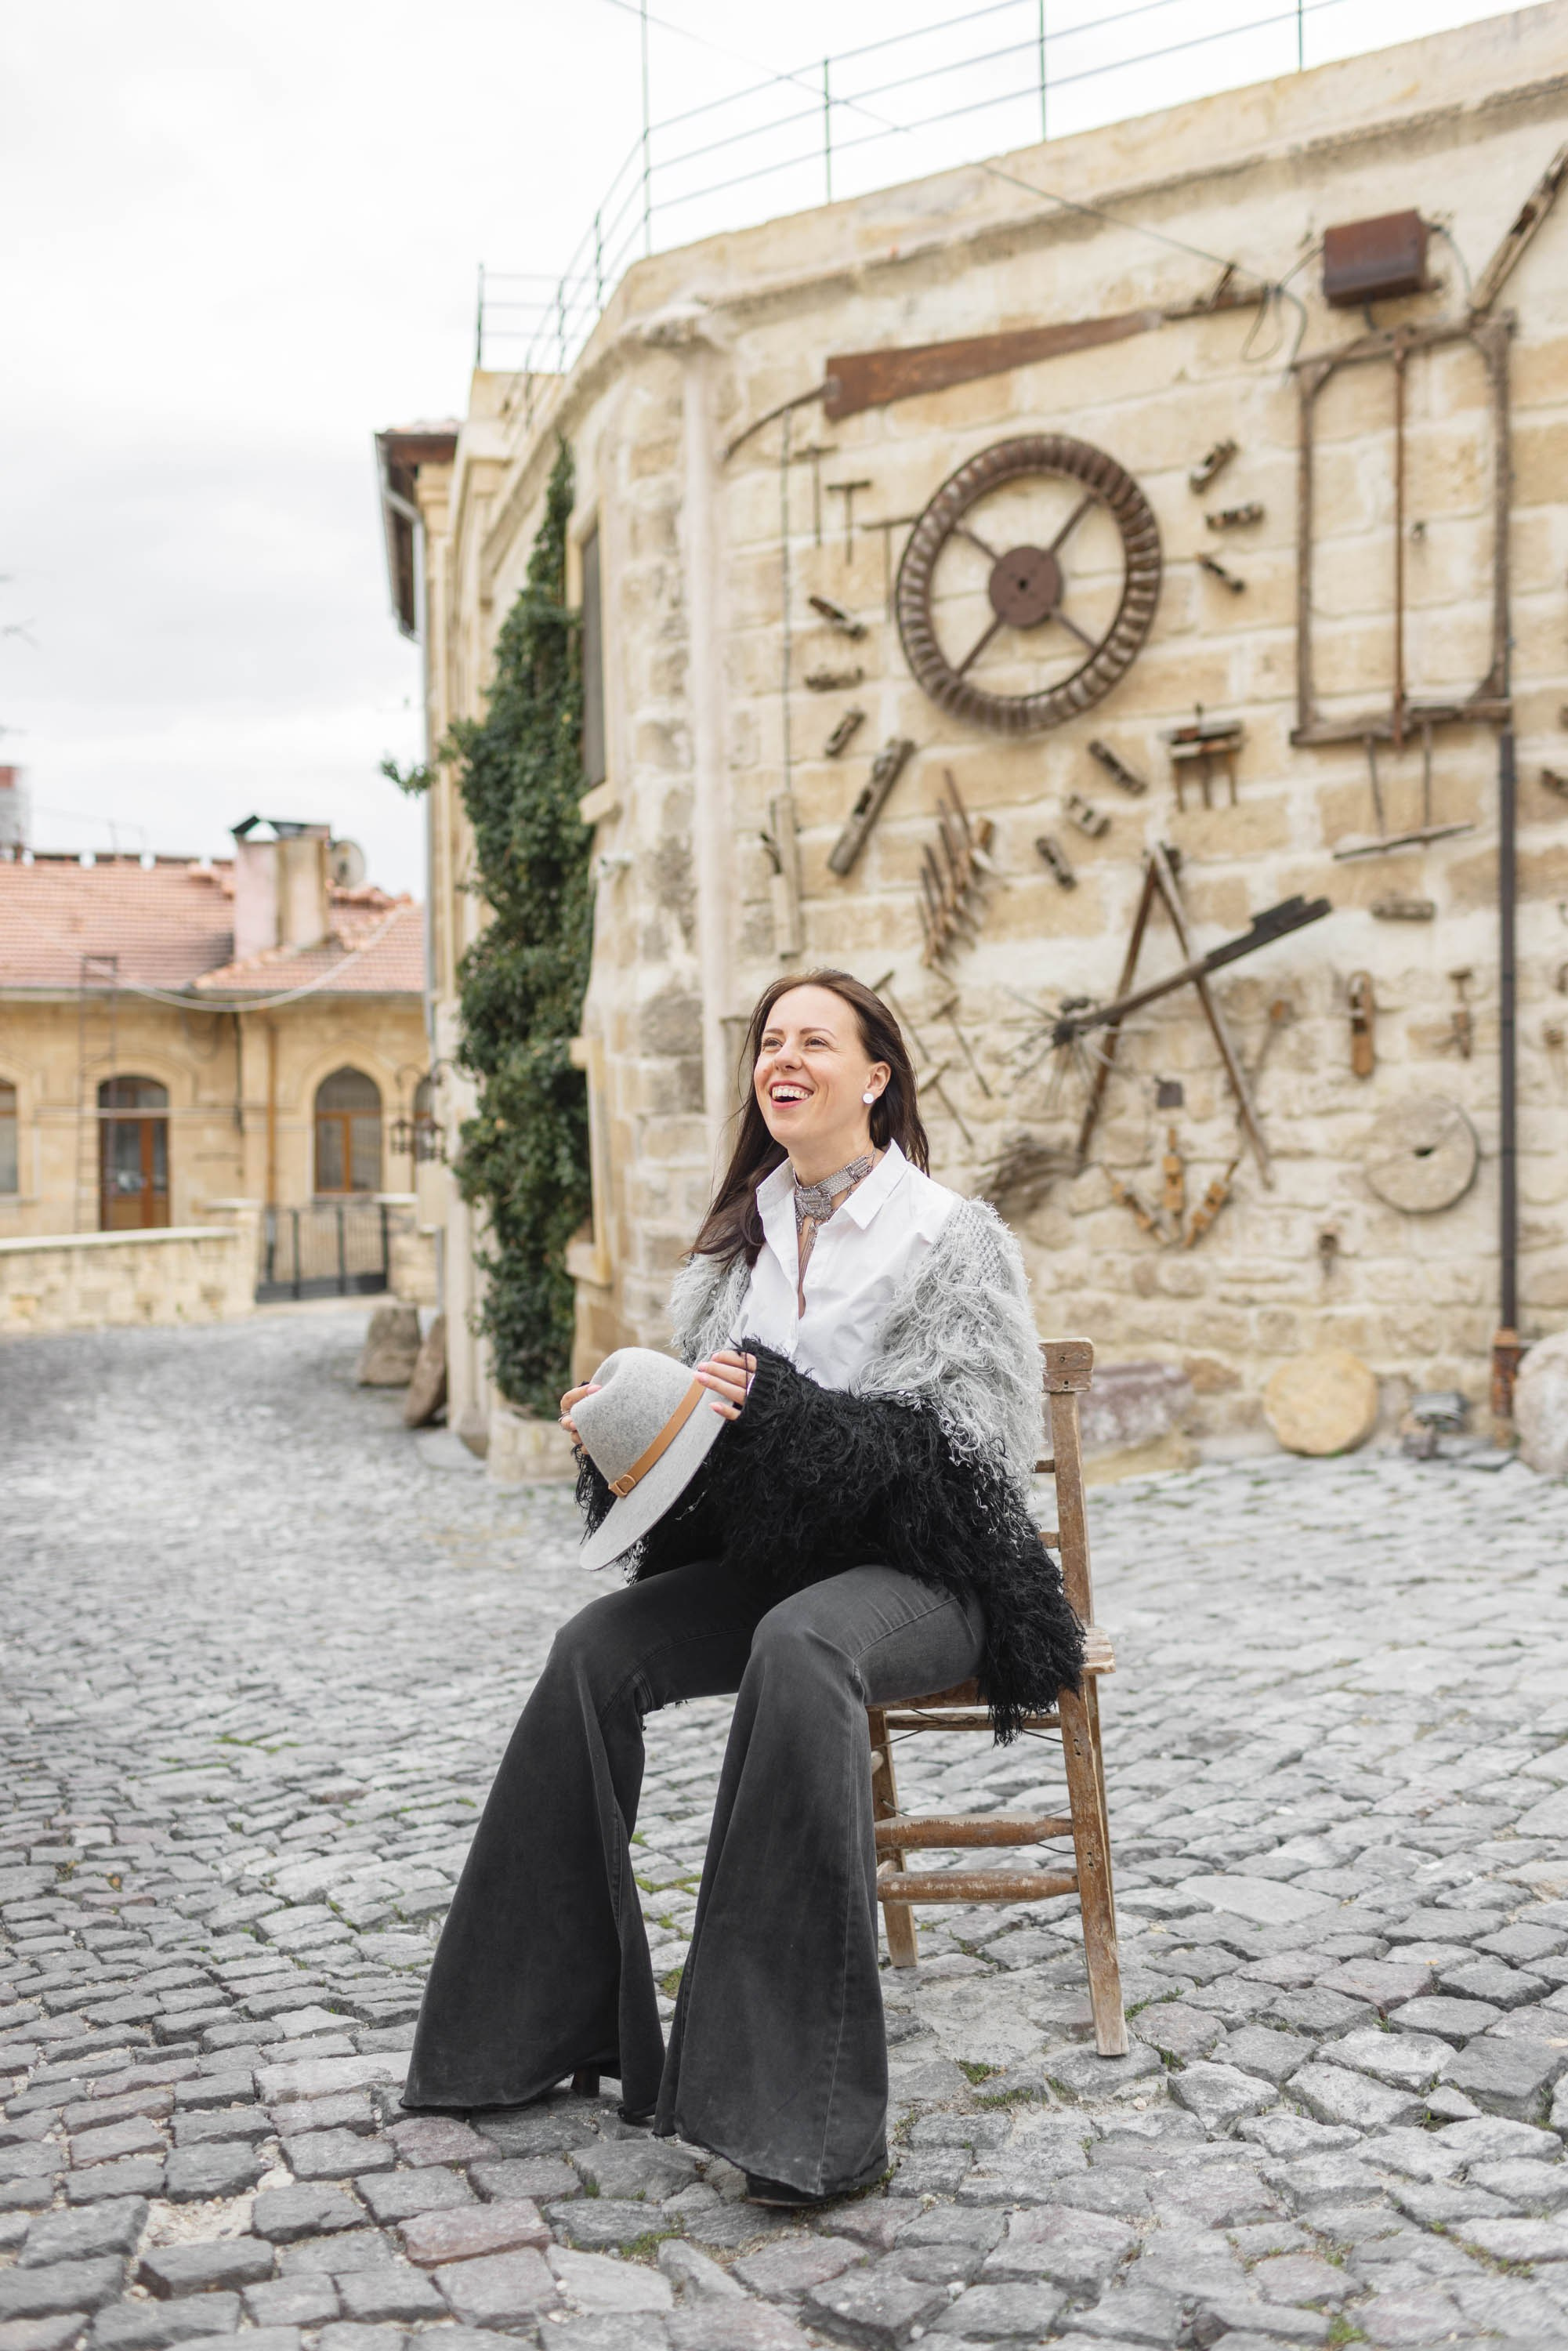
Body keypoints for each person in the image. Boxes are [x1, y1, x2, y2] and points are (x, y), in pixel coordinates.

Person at [402, 969, 1082, 2205]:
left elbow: (968, 1465)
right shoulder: (736, 1249)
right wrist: (627, 1435)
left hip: (933, 1578)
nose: (784, 1056)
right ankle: (535, 2029)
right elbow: (711, 1480)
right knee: (594, 1649)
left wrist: (779, 1406)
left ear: (873, 1078)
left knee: (800, 1647)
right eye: (770, 1039)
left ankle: (794, 2114)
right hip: (779, 1571)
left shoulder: (952, 1237)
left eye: (814, 1040)